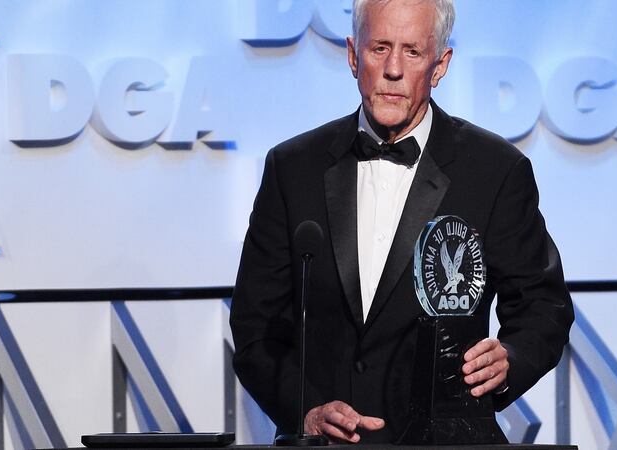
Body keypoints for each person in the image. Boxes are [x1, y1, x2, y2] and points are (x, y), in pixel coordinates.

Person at [229, 0, 573, 444]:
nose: (393, 69)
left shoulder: (495, 171)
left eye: (412, 51)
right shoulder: (293, 169)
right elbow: (256, 327)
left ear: (440, 64)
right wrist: (307, 410)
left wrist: (509, 358)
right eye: (379, 49)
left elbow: (543, 307)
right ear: (353, 56)